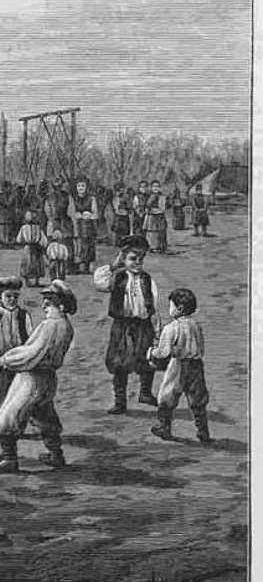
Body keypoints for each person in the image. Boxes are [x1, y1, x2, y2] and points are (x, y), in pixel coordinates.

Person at [0, 279, 76, 474]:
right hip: (48, 379)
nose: (44, 306)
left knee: (7, 418)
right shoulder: (65, 325)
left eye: (48, 303)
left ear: (60, 306)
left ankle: (9, 459)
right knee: (45, 416)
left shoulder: (51, 326)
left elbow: (30, 353)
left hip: (33, 377)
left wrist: (1, 361)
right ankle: (56, 455)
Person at [93, 234, 161, 414]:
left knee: (146, 359)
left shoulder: (147, 279)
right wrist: (114, 265)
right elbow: (99, 282)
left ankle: (145, 392)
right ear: (123, 258)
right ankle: (120, 401)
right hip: (122, 326)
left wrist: (156, 327)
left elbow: (154, 303)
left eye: (140, 259)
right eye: (132, 258)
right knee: (119, 362)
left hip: (142, 325)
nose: (137, 262)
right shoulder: (118, 277)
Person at [147, 288, 210, 444]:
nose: (170, 309)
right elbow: (201, 348)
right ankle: (203, 431)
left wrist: (151, 352)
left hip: (179, 365)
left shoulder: (171, 328)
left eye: (171, 306)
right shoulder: (196, 325)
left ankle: (164, 427)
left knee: (167, 395)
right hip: (196, 365)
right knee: (198, 398)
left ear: (179, 308)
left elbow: (163, 352)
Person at [0, 277, 33, 436]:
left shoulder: (24, 316)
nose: (12, 300)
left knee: (16, 397)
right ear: (0, 298)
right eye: (8, 296)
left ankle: (15, 428)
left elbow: (29, 339)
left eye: (15, 297)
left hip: (16, 363)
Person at [68, 177, 98, 273]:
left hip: (89, 225)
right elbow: (71, 212)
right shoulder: (73, 198)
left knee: (89, 244)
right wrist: (76, 215)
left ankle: (88, 264)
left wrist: (89, 215)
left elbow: (95, 213)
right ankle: (79, 265)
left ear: (87, 187)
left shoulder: (91, 198)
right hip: (78, 225)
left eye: (83, 186)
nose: (81, 188)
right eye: (79, 186)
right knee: (79, 244)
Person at [16, 210, 47, 287]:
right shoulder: (37, 228)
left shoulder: (24, 228)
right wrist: (43, 245)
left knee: (31, 263)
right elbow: (43, 239)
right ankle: (34, 281)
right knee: (32, 263)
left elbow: (19, 239)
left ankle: (30, 281)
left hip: (30, 247)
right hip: (34, 247)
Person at [143, 180, 168, 253]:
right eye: (154, 186)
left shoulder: (162, 196)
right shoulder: (149, 196)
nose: (155, 188)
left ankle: (161, 247)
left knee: (161, 231)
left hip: (160, 216)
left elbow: (163, 207)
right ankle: (152, 247)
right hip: (151, 217)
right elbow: (146, 206)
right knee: (151, 232)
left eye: (157, 186)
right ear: (151, 187)